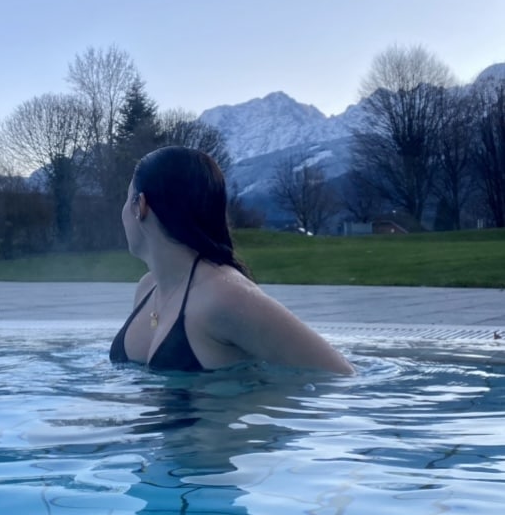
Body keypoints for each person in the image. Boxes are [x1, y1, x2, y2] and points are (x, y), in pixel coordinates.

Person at [109, 146, 354, 374]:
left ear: (139, 205)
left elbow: (339, 373)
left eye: (125, 198)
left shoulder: (224, 296)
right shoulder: (147, 289)